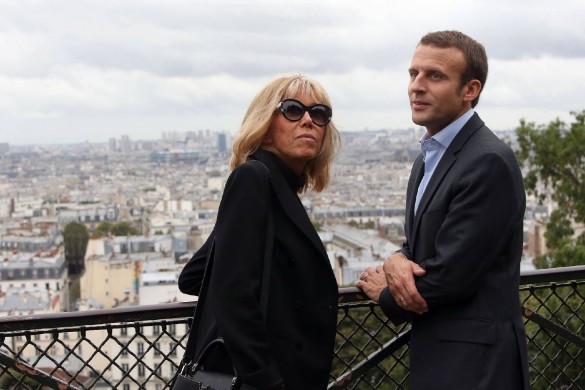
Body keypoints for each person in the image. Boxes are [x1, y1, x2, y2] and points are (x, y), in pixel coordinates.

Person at [355, 31, 530, 389]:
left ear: (470, 90)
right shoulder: (428, 158)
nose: (416, 86)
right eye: (413, 74)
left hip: (477, 366)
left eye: (434, 76)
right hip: (445, 358)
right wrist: (395, 260)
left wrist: (386, 293)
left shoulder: (487, 161)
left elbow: (451, 275)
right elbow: (422, 245)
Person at [178, 74, 341, 390]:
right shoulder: (254, 178)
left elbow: (195, 276)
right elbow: (233, 295)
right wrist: (268, 380)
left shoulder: (275, 187)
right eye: (293, 110)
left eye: (319, 114)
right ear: (265, 126)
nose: (309, 120)